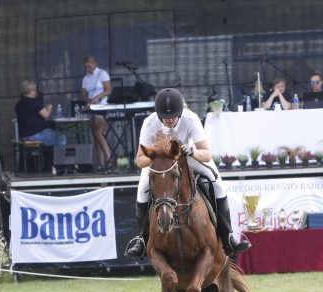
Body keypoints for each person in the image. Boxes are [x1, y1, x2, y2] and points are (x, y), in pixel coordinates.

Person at [125, 87, 251, 259]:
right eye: (166, 117)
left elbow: (206, 154)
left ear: (181, 112)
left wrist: (190, 151)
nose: (169, 120)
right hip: (160, 161)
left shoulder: (190, 118)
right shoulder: (149, 123)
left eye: (173, 116)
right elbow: (140, 160)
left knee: (218, 185)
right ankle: (141, 239)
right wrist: (156, 152)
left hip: (188, 156)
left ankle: (229, 236)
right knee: (142, 189)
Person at [81, 55, 112, 170]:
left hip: (101, 105)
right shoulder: (86, 78)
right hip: (91, 107)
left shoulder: (102, 73)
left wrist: (98, 97)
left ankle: (109, 158)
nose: (87, 69)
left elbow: (108, 90)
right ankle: (101, 162)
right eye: (85, 67)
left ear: (93, 64)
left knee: (98, 133)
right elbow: (83, 94)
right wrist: (88, 100)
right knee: (95, 135)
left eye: (89, 66)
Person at [15, 80, 66, 146]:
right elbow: (46, 115)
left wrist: (45, 109)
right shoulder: (32, 102)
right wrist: (49, 108)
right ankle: (57, 156)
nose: (36, 92)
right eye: (35, 90)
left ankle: (48, 155)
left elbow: (31, 114)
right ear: (31, 91)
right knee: (61, 137)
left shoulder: (19, 104)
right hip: (35, 134)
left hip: (23, 135)